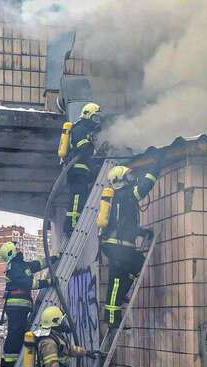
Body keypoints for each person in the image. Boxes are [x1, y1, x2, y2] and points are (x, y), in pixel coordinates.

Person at [97, 165, 157, 328]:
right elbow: (143, 189)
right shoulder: (124, 195)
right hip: (118, 247)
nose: (131, 179)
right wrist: (155, 167)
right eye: (128, 176)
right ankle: (111, 318)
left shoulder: (119, 198)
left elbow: (125, 222)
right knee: (116, 281)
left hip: (121, 246)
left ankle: (122, 293)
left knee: (137, 263)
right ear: (120, 180)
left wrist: (141, 232)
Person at [0, 241, 51, 367]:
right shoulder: (14, 267)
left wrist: (51, 260)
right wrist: (48, 282)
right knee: (15, 333)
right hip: (17, 306)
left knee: (18, 332)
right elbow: (29, 283)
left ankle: (11, 361)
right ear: (11, 252)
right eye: (15, 247)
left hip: (20, 307)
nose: (18, 248)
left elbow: (35, 265)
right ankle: (9, 363)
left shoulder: (20, 264)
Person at [63, 102, 102, 236]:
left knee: (80, 197)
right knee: (77, 198)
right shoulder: (79, 129)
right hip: (77, 170)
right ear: (88, 115)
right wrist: (91, 143)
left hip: (82, 171)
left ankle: (73, 223)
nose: (96, 121)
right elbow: (84, 148)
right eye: (95, 118)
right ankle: (71, 225)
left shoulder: (84, 130)